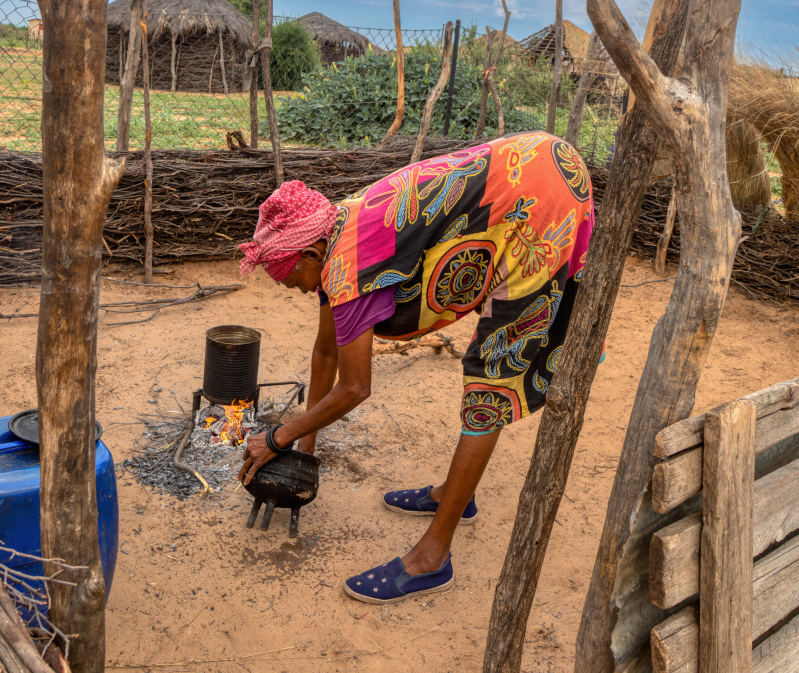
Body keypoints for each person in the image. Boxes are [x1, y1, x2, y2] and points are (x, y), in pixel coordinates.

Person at [237, 133, 594, 603]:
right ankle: (456, 494)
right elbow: (326, 351)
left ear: (310, 255)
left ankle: (432, 560)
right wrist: (305, 451)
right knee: (484, 380)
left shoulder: (347, 267)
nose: (297, 291)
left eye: (292, 281)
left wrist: (278, 437)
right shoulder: (334, 229)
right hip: (529, 167)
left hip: (540, 201)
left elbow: (355, 387)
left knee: (489, 385)